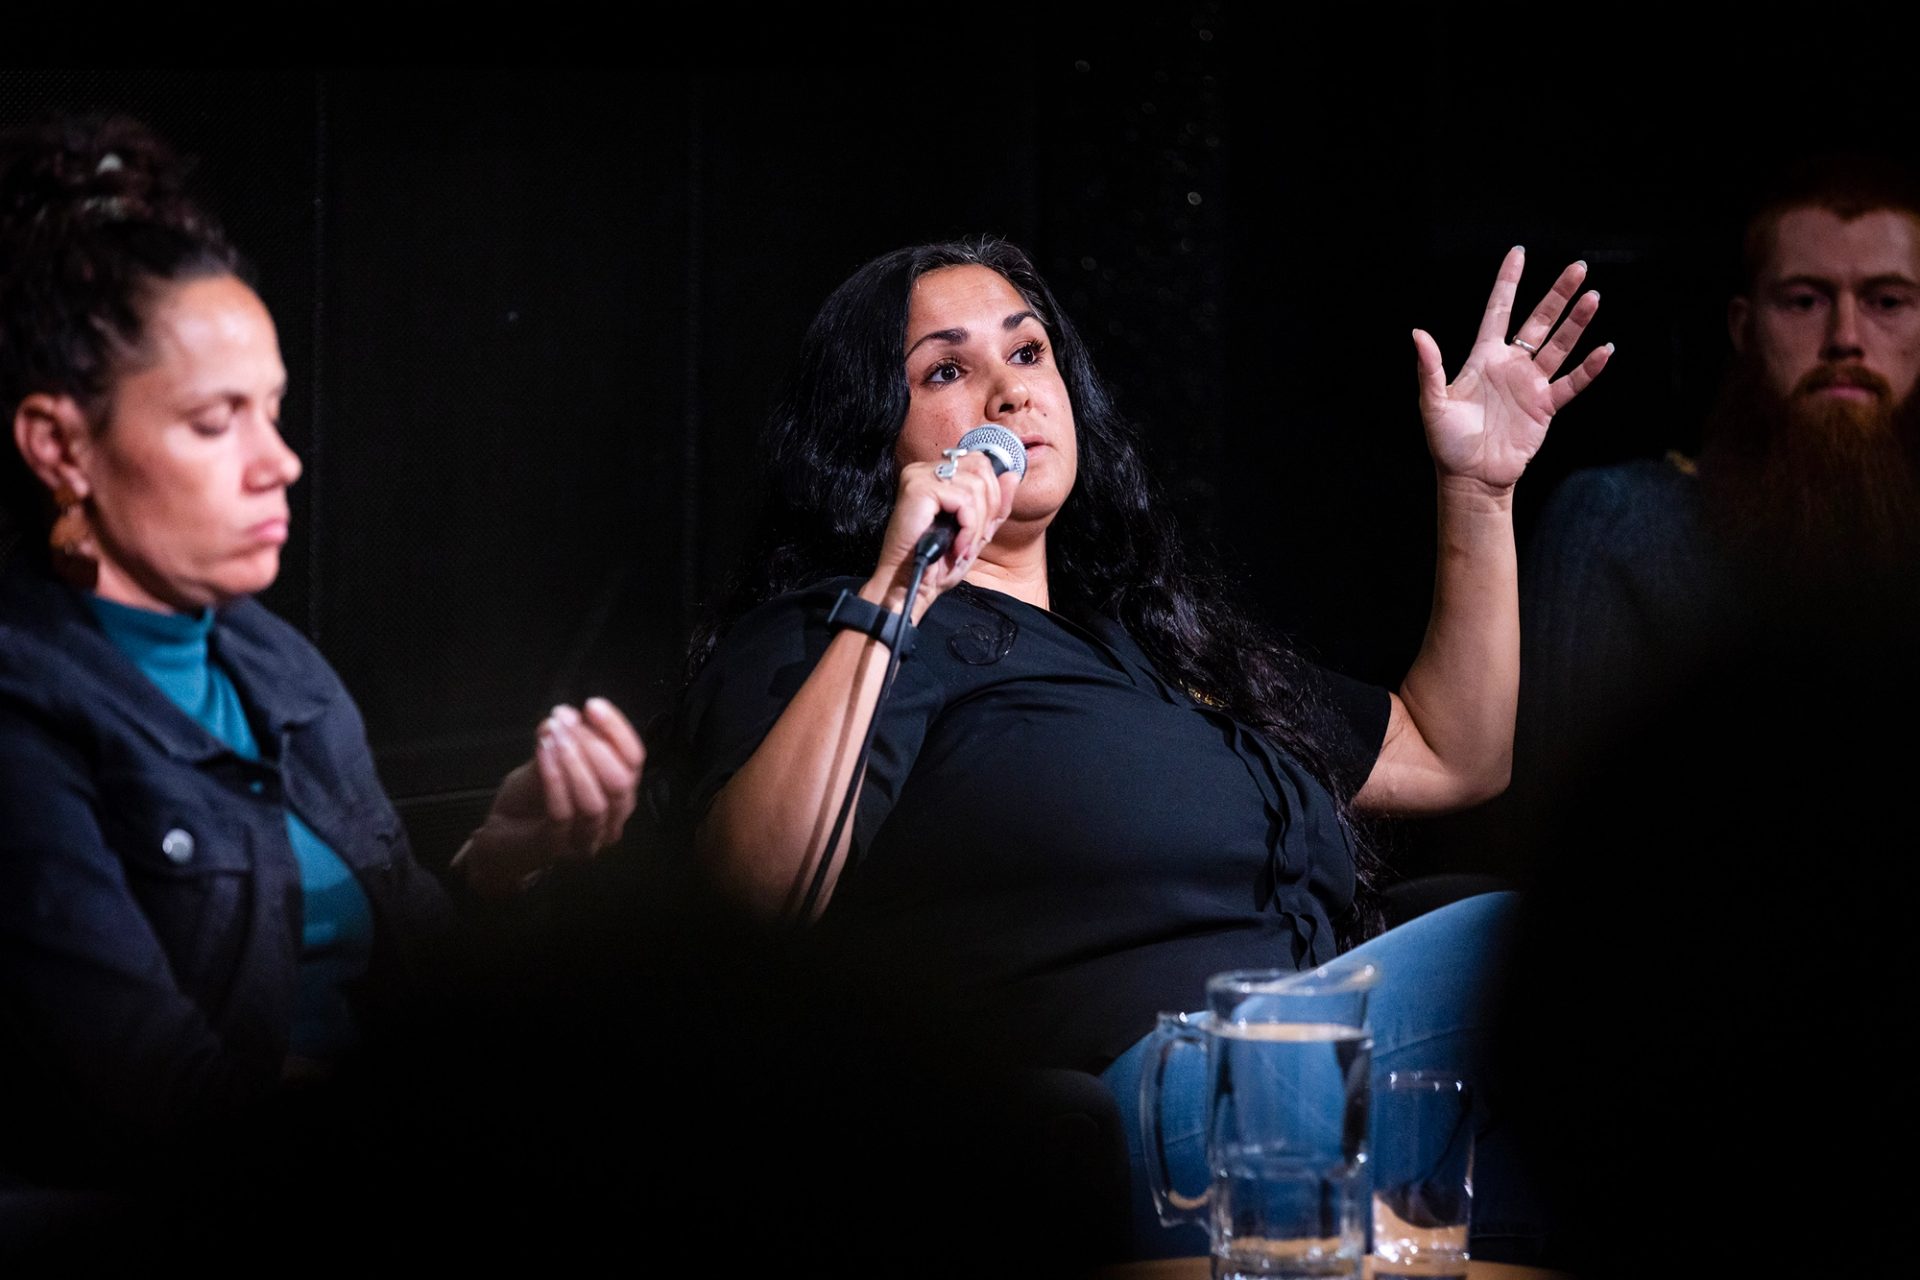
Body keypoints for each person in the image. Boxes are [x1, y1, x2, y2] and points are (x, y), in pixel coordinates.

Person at [642, 233, 1610, 1264]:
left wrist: (1478, 492)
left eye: (1028, 352)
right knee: (1558, 939)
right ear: (869, 433)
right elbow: (747, 900)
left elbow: (1454, 754)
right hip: (1131, 1124)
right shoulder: (837, 632)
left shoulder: (1156, 643)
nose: (1011, 392)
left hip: (1332, 1083)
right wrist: (897, 584)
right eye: (945, 371)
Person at [0, 113, 646, 1200]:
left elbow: (412, 991)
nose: (281, 461)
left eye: (274, 410)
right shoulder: (25, 705)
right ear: (60, 446)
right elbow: (164, 1096)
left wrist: (508, 854)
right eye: (216, 422)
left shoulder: (274, 664)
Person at [1464, 153, 1920, 879]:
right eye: (1804, 300)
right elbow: (1550, 845)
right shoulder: (1621, 527)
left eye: (1888, 301)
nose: (1845, 336)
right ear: (1744, 325)